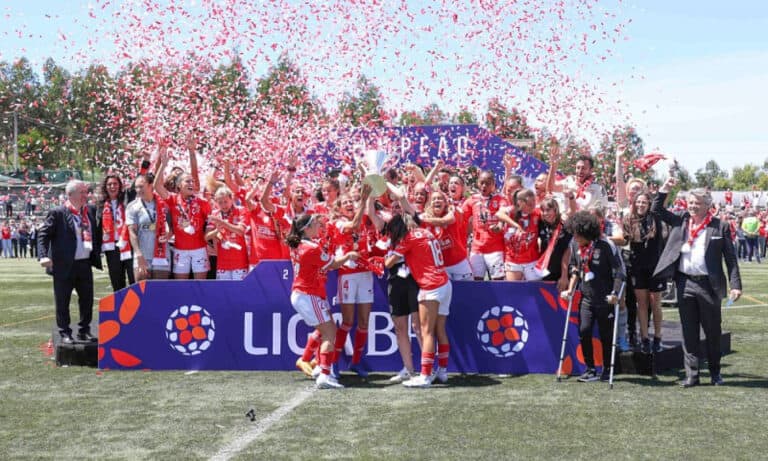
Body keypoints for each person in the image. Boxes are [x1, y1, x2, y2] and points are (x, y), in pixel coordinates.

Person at [652, 178, 742, 387]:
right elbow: (657, 210)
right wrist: (665, 189)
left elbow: (730, 259)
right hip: (685, 283)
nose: (692, 206)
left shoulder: (720, 226)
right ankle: (692, 374)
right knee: (688, 330)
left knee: (712, 331)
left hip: (709, 285)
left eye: (697, 203)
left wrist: (736, 284)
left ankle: (715, 372)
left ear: (707, 205)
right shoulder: (681, 220)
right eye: (690, 202)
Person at [286, 213, 359, 389]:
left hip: (305, 293)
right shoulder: (310, 248)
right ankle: (325, 374)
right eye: (315, 224)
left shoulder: (299, 245)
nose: (318, 226)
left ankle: (320, 368)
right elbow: (333, 264)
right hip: (308, 294)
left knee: (327, 329)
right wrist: (349, 255)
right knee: (329, 333)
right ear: (307, 228)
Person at [384, 213, 452, 388]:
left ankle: (425, 375)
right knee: (440, 330)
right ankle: (442, 371)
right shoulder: (426, 232)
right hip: (444, 282)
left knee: (427, 331)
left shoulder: (409, 238)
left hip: (430, 286)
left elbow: (389, 263)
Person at [38, 180, 103, 344]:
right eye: (81, 192)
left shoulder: (89, 211)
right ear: (70, 194)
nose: (85, 195)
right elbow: (43, 235)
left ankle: (84, 330)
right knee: (62, 301)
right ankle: (64, 332)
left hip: (84, 264)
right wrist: (43, 255)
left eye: (85, 192)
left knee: (87, 299)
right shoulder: (58, 212)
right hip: (63, 265)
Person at [563, 211, 625, 382]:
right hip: (586, 296)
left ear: (587, 233)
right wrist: (572, 278)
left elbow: (619, 271)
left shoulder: (605, 245)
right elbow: (573, 266)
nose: (574, 237)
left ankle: (607, 369)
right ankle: (590, 369)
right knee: (584, 330)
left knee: (606, 335)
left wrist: (615, 293)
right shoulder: (574, 245)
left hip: (605, 298)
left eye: (577, 234)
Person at [619, 191, 666, 353]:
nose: (640, 205)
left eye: (644, 202)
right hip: (637, 266)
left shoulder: (656, 218)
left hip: (655, 267)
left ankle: (658, 336)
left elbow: (660, 201)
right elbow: (623, 239)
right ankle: (644, 337)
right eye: (638, 202)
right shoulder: (628, 219)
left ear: (649, 204)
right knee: (642, 304)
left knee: (655, 303)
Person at [155, 148, 212, 280]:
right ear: (179, 185)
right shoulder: (173, 200)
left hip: (200, 250)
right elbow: (157, 187)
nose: (191, 183)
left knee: (200, 286)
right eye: (187, 181)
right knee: (182, 285)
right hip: (180, 250)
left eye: (192, 181)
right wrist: (163, 165)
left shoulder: (202, 202)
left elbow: (211, 223)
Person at [462, 170, 508, 280]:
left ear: (493, 185)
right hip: (477, 249)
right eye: (482, 182)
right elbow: (461, 216)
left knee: (498, 280)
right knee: (476, 280)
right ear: (478, 183)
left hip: (495, 248)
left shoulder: (500, 199)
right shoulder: (472, 200)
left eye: (488, 183)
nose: (484, 186)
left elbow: (503, 212)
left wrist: (500, 225)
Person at [126, 174, 171, 281]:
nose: (138, 190)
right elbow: (132, 232)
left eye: (141, 186)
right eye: (136, 187)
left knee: (160, 293)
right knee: (142, 294)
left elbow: (173, 224)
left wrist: (170, 234)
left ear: (151, 185)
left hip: (162, 254)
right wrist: (138, 253)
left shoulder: (164, 203)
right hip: (142, 256)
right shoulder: (132, 206)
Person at [97, 173, 135, 291]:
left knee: (134, 279)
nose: (112, 187)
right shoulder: (101, 204)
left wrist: (145, 161)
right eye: (109, 184)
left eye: (115, 184)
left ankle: (138, 307)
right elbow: (97, 225)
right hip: (111, 247)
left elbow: (136, 184)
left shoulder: (126, 197)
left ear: (119, 186)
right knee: (117, 282)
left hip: (129, 244)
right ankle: (120, 308)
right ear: (105, 187)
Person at [206, 186, 249, 280]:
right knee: (223, 292)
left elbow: (240, 231)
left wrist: (223, 223)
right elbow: (206, 237)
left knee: (239, 291)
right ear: (216, 202)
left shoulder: (241, 210)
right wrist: (216, 231)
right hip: (222, 263)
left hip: (240, 262)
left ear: (231, 199)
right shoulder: (215, 214)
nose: (223, 205)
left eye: (226, 201)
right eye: (220, 202)